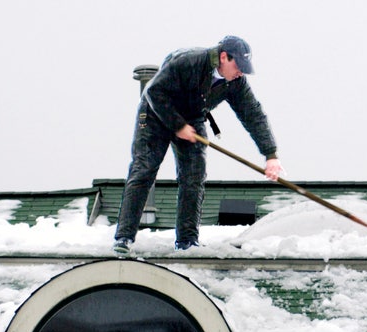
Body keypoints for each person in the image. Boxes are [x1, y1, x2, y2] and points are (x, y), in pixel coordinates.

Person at [112, 35, 282, 253]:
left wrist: (270, 154)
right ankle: (124, 237)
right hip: (156, 112)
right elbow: (154, 91)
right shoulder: (190, 62)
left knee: (194, 176)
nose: (241, 71)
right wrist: (177, 125)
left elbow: (253, 115)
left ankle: (187, 241)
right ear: (223, 57)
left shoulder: (236, 82)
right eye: (238, 65)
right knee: (144, 170)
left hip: (193, 118)